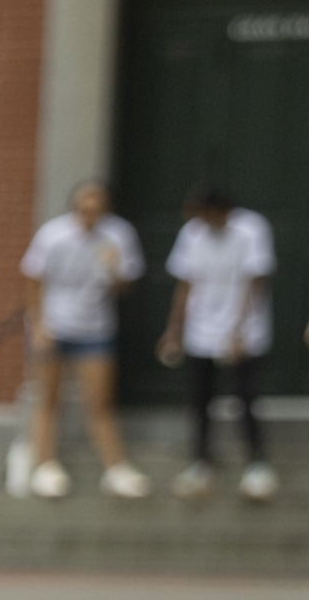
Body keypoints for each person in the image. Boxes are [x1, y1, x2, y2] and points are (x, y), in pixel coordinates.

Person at [15, 177, 139, 499]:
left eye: (96, 210)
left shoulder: (119, 235)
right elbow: (32, 279)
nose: (90, 215)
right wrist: (39, 326)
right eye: (84, 209)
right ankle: (45, 467)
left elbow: (126, 287)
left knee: (99, 403)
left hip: (95, 328)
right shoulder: (52, 235)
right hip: (54, 327)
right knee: (48, 401)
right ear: (74, 209)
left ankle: (116, 469)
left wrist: (114, 269)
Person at [161, 186, 279, 500]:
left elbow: (254, 281)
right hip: (200, 331)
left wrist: (238, 332)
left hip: (244, 334)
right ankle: (201, 463)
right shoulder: (192, 233)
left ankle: (257, 465)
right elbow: (185, 282)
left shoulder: (251, 229)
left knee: (245, 398)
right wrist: (174, 330)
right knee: (200, 399)